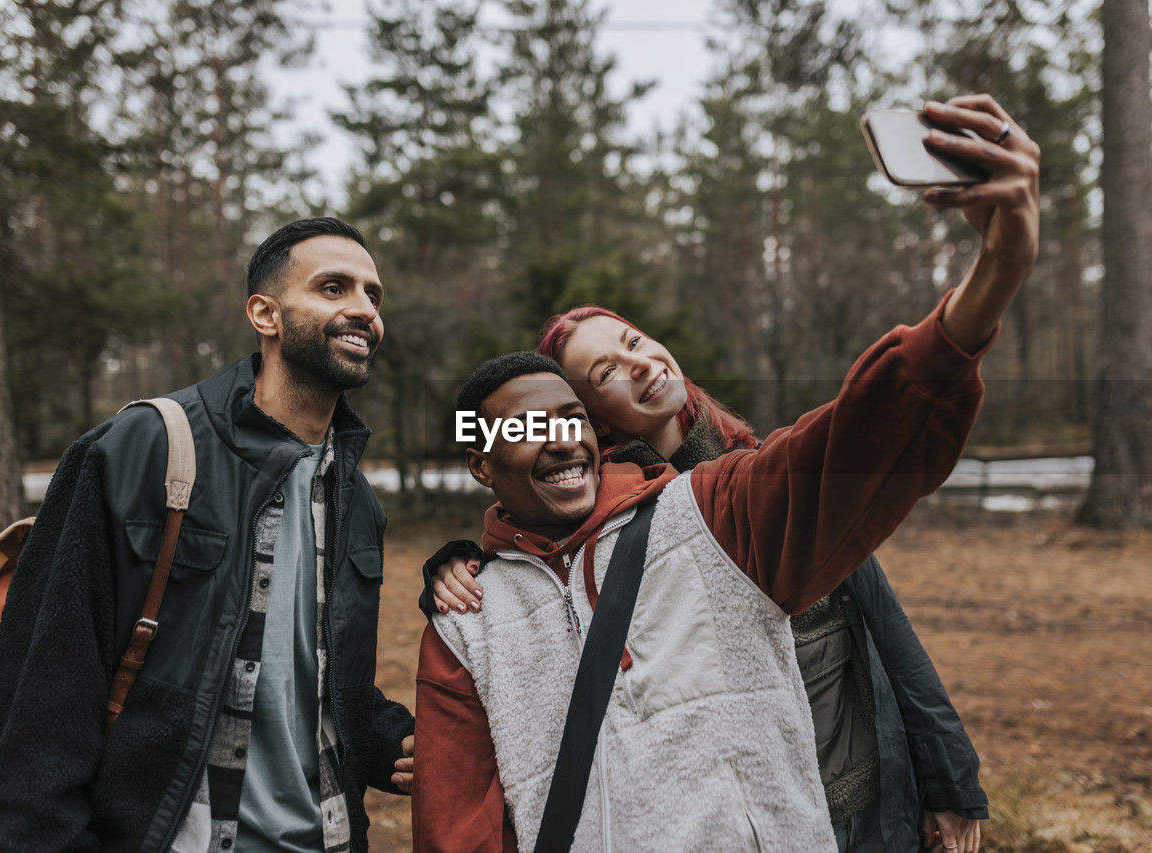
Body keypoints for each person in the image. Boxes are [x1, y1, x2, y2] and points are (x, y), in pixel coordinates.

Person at [411, 95, 1039, 852]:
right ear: (482, 460)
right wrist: (460, 565)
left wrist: (991, 280)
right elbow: (457, 822)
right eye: (529, 423)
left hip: (848, 787)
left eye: (566, 413)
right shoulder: (471, 621)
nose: (556, 436)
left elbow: (856, 444)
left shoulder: (712, 503)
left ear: (592, 430)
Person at [0, 217, 415, 852]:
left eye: (373, 295)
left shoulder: (355, 497)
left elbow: (315, 679)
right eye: (333, 288)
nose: (363, 310)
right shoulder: (142, 449)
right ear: (265, 314)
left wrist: (382, 740)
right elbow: (43, 687)